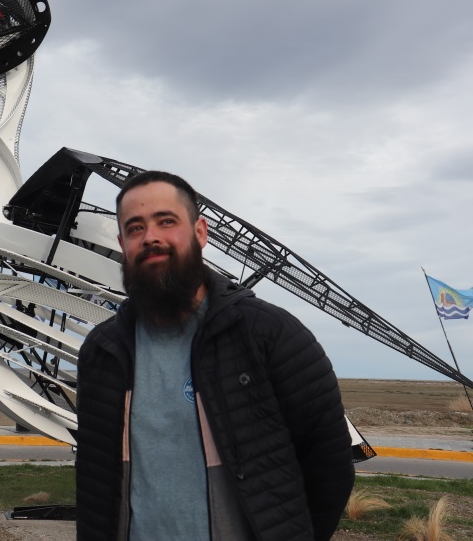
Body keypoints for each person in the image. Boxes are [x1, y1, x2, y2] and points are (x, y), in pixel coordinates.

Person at [75, 171, 355, 541]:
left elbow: (330, 465)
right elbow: (95, 485)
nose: (151, 237)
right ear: (122, 243)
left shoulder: (269, 335)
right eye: (135, 228)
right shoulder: (102, 353)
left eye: (167, 221)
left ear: (201, 232)